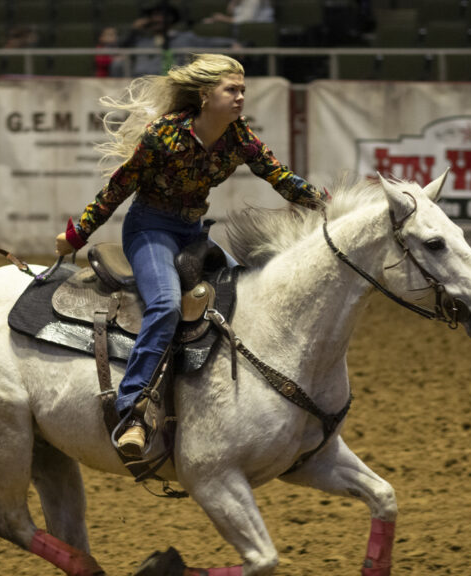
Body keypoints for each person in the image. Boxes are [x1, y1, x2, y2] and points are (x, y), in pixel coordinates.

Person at [54, 54, 327, 457]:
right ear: (204, 96)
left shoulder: (240, 136)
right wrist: (77, 235)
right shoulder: (163, 135)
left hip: (192, 232)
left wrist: (327, 206)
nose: (239, 98)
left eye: (242, 91)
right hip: (149, 229)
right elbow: (119, 187)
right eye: (231, 90)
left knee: (247, 295)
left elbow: (280, 177)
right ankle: (132, 412)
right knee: (164, 305)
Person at [119, 1, 240, 77]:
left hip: (172, 84)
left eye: (161, 16)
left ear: (171, 19)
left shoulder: (184, 38)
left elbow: (208, 43)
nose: (157, 20)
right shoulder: (141, 41)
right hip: (142, 85)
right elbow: (121, 49)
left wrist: (232, 44)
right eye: (153, 16)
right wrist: (133, 31)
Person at [204, 0, 274, 25]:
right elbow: (230, 12)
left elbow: (245, 20)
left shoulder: (254, 1)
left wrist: (222, 19)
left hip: (258, 28)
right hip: (242, 28)